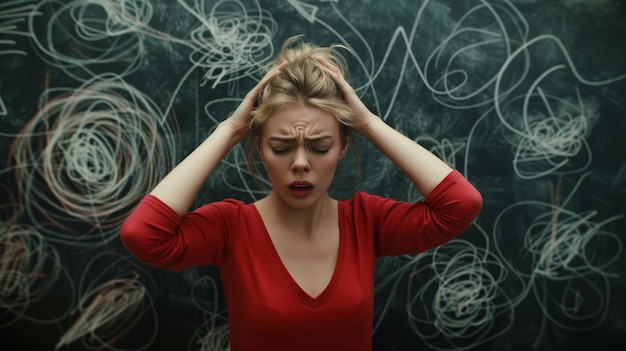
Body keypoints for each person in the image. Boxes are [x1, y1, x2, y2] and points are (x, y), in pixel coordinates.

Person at [120, 36, 482, 351]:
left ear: (342, 146)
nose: (300, 163)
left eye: (320, 147)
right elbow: (142, 234)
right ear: (259, 147)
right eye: (280, 147)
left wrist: (369, 124)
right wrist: (230, 130)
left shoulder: (367, 223)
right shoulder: (231, 227)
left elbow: (461, 204)